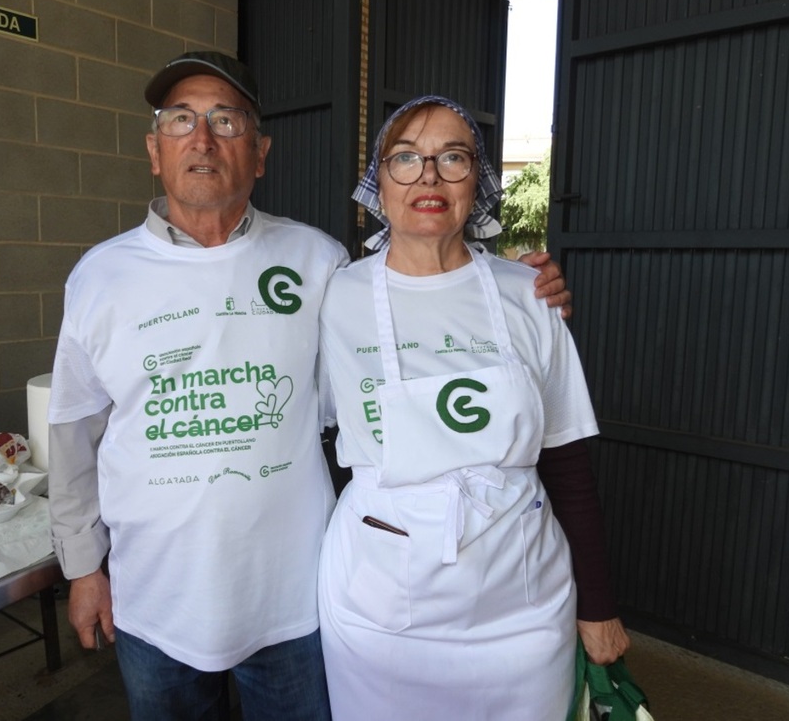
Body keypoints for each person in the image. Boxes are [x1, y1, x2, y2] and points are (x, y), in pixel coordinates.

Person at [45, 52, 571, 720]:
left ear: (259, 153)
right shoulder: (100, 277)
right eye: (181, 120)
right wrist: (84, 568)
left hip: (293, 601)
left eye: (226, 121)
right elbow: (72, 430)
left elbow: (417, 304)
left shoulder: (318, 262)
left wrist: (518, 292)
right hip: (156, 600)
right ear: (155, 150)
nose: (203, 139)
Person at [316, 95, 629, 720]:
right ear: (378, 183)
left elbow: (567, 464)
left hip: (522, 606)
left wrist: (598, 606)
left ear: (477, 183)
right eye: (406, 158)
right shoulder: (332, 296)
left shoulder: (529, 294)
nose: (429, 176)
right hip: (381, 607)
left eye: (452, 157)